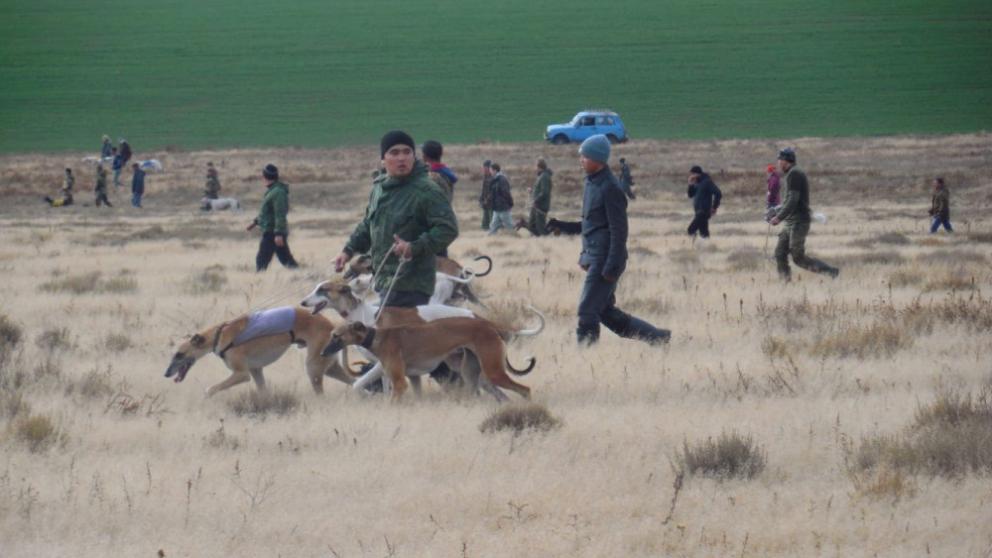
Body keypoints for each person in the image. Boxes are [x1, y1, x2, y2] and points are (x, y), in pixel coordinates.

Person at [333, 130, 458, 308]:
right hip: (383, 279)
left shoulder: (427, 191)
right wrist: (348, 251)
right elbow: (368, 224)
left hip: (411, 283)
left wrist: (413, 248)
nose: (401, 158)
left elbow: (448, 229)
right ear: (383, 159)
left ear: (414, 156)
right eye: (394, 152)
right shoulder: (379, 188)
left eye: (407, 152)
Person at [575, 135, 671, 346]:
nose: (581, 160)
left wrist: (612, 266)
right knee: (605, 311)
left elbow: (619, 232)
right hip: (595, 256)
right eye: (581, 156)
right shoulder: (591, 183)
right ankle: (658, 338)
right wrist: (583, 254)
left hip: (606, 259)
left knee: (587, 311)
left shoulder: (610, 187)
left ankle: (585, 358)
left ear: (598, 159)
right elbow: (591, 224)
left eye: (585, 156)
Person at [770, 148, 839, 280]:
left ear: (786, 161)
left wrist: (778, 217)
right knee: (780, 253)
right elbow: (789, 199)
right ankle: (785, 282)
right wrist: (776, 210)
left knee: (798, 257)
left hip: (799, 222)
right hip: (791, 221)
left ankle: (831, 272)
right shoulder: (791, 173)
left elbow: (793, 199)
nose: (778, 163)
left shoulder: (795, 173)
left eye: (780, 160)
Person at [247, 164, 299, 271]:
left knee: (262, 259)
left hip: (272, 231)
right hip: (273, 230)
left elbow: (280, 214)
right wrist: (255, 222)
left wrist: (278, 234)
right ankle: (299, 273)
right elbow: (267, 212)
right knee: (285, 258)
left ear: (265, 177)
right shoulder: (273, 191)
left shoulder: (278, 192)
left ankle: (259, 279)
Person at [686, 165, 722, 239]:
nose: (691, 176)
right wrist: (690, 185)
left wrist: (714, 207)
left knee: (691, 230)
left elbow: (718, 193)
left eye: (692, 174)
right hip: (698, 212)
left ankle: (693, 244)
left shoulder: (707, 182)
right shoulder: (696, 183)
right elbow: (690, 195)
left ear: (697, 174)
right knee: (704, 233)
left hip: (704, 212)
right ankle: (707, 245)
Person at [524, 158, 553, 235]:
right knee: (531, 224)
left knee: (540, 227)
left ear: (539, 167)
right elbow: (540, 190)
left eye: (535, 166)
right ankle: (535, 239)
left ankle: (545, 240)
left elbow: (544, 192)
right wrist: (532, 191)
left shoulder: (544, 177)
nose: (535, 168)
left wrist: (535, 200)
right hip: (536, 205)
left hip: (540, 206)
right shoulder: (541, 176)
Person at [487, 163, 514, 235]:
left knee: (509, 225)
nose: (490, 172)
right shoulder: (494, 180)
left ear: (495, 170)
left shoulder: (502, 180)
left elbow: (506, 193)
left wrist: (510, 203)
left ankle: (515, 237)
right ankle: (490, 238)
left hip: (503, 207)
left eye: (491, 170)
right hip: (497, 207)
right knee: (493, 225)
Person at [479, 160, 494, 230]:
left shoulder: (493, 177)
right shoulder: (485, 177)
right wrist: (481, 199)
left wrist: (487, 199)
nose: (483, 169)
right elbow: (483, 190)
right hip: (486, 202)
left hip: (492, 203)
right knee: (485, 223)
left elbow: (493, 191)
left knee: (492, 220)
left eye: (485, 167)